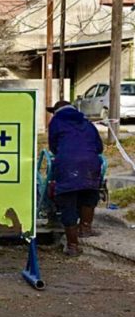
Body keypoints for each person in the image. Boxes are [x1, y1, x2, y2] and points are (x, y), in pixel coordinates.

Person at [47, 100, 104, 256]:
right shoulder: (87, 123)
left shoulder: (56, 122)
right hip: (90, 163)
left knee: (68, 200)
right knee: (89, 192)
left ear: (56, 111)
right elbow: (99, 147)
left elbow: (53, 146)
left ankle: (72, 245)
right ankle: (85, 228)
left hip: (67, 163)